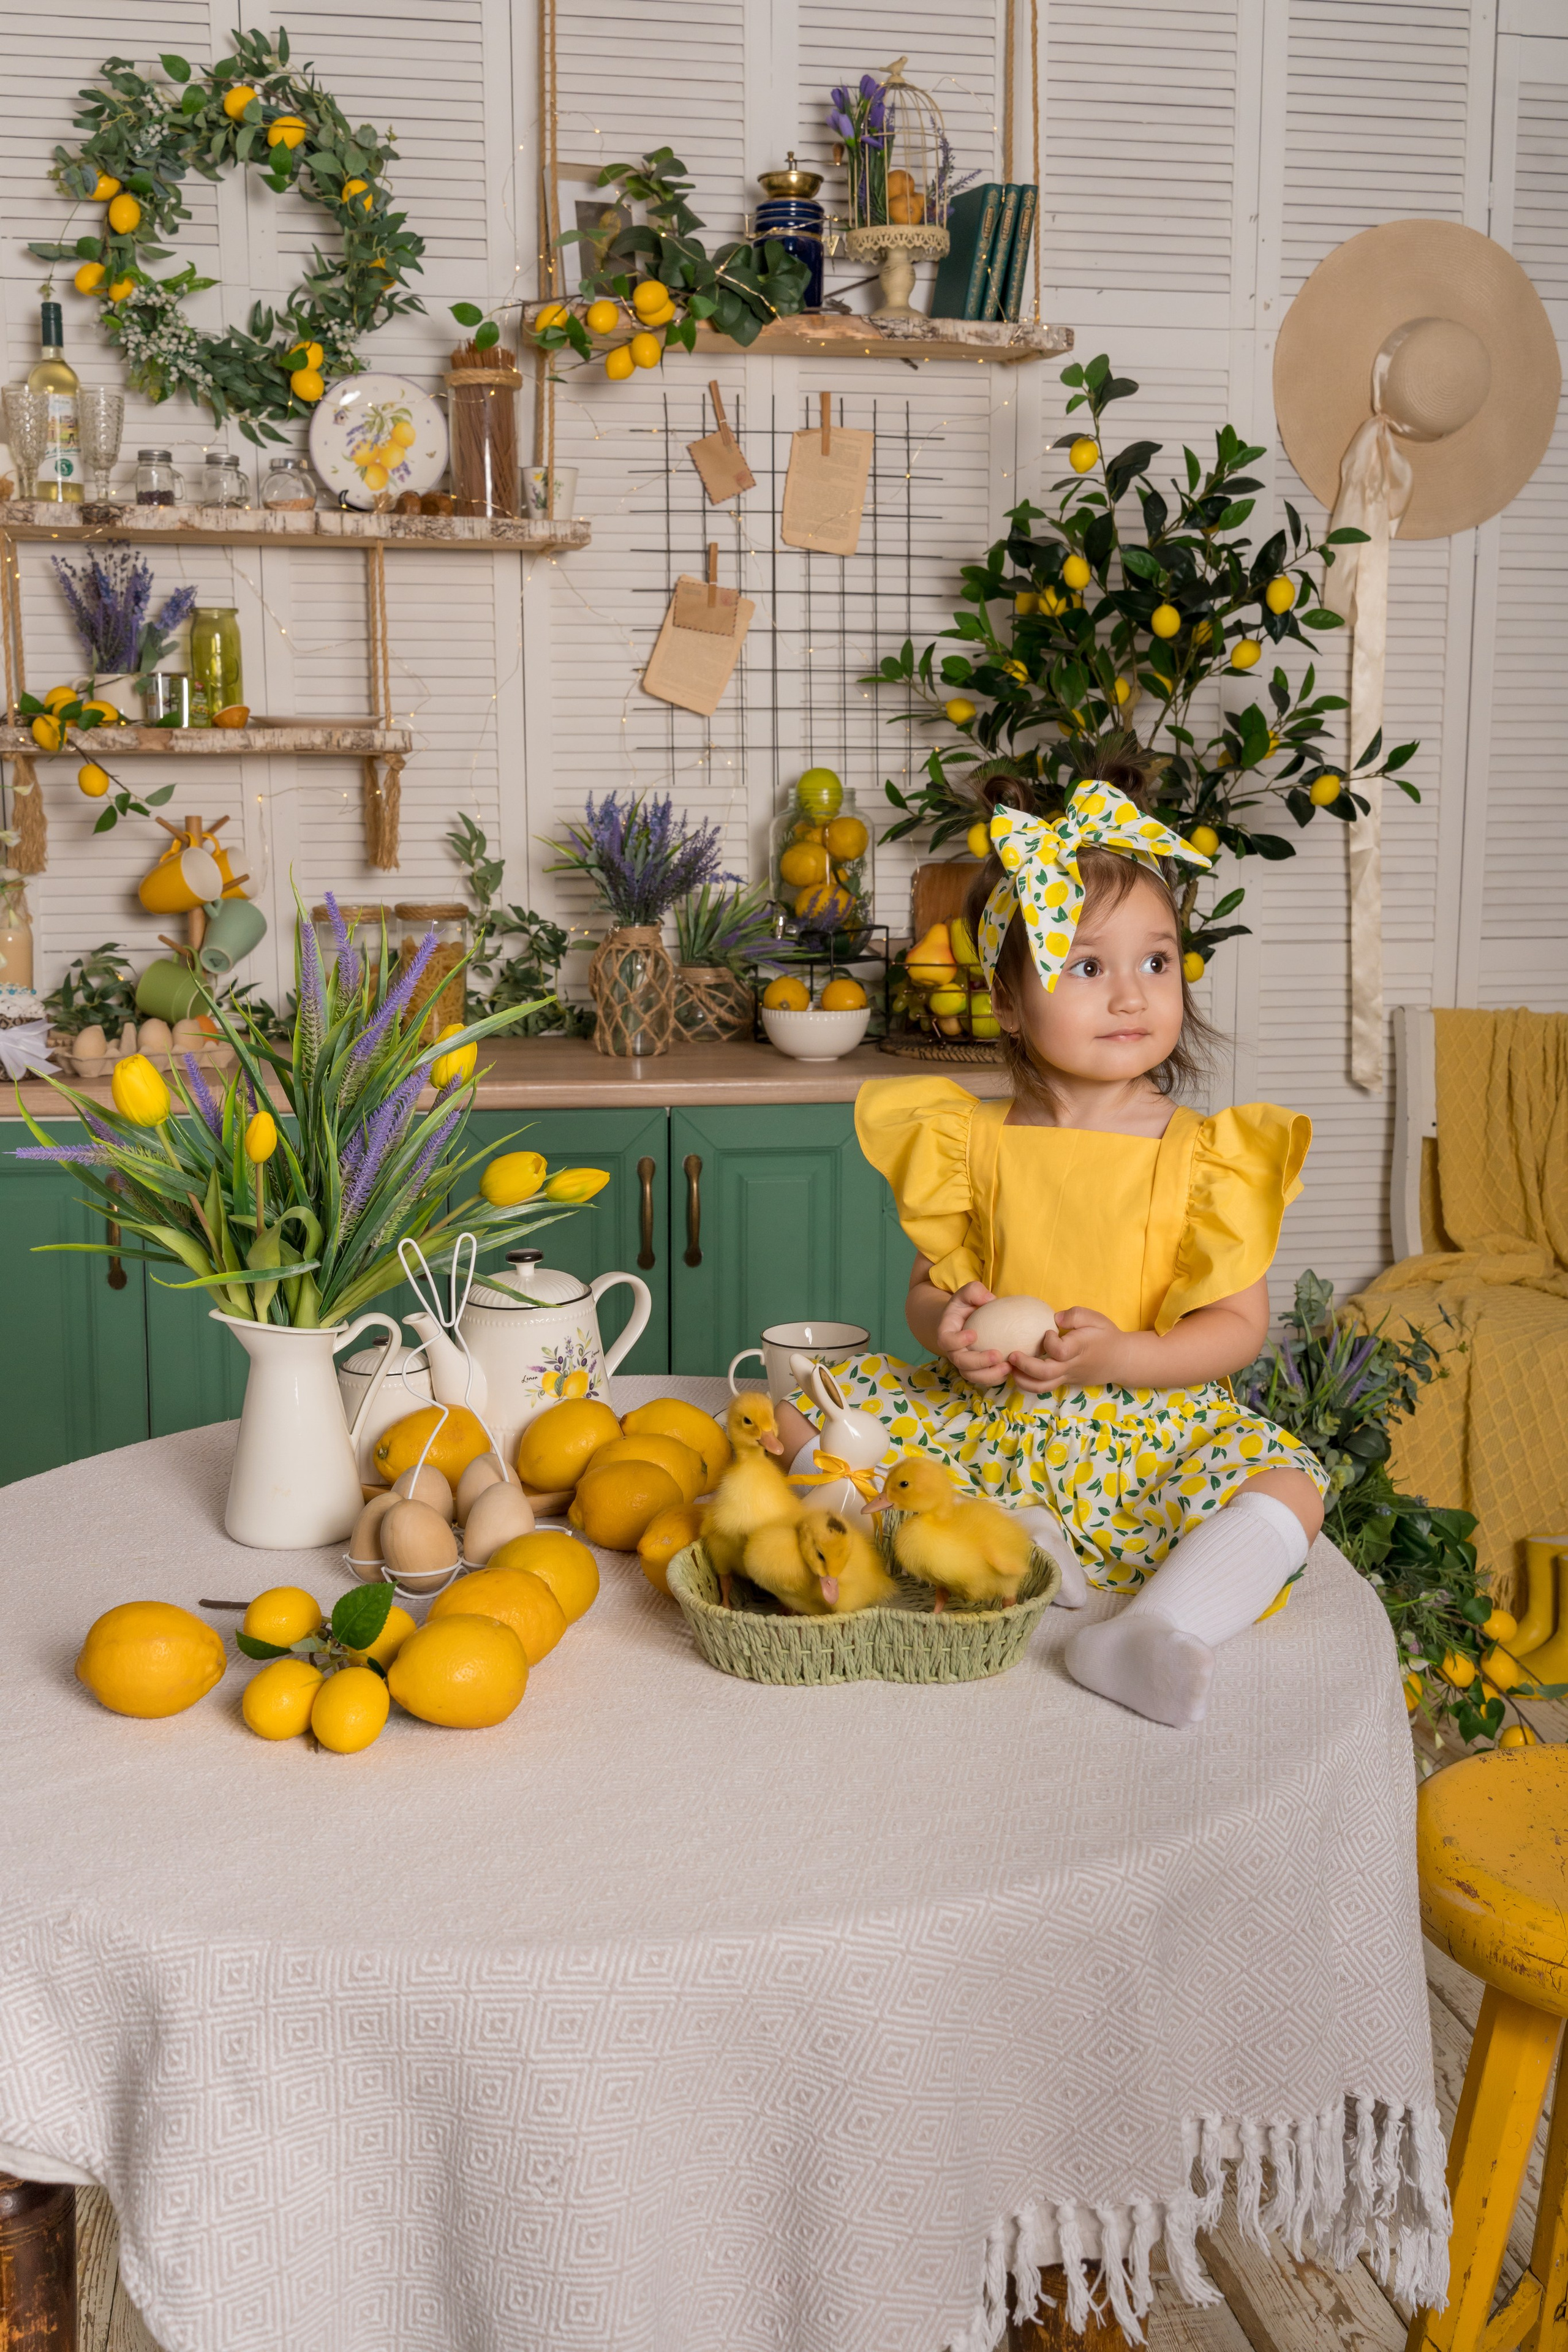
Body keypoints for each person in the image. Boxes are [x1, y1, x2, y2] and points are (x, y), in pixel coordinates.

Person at [777, 763, 1329, 1728]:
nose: (1130, 995)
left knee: (1290, 1488)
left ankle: (1152, 1630)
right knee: (797, 1409)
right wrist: (950, 1330)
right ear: (1008, 998)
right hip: (990, 1419)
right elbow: (926, 1291)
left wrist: (1125, 1354)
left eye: (1156, 963)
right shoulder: (970, 1141)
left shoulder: (1204, 1157)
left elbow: (1239, 1328)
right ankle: (991, 1539)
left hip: (1138, 1427)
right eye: (1085, 965)